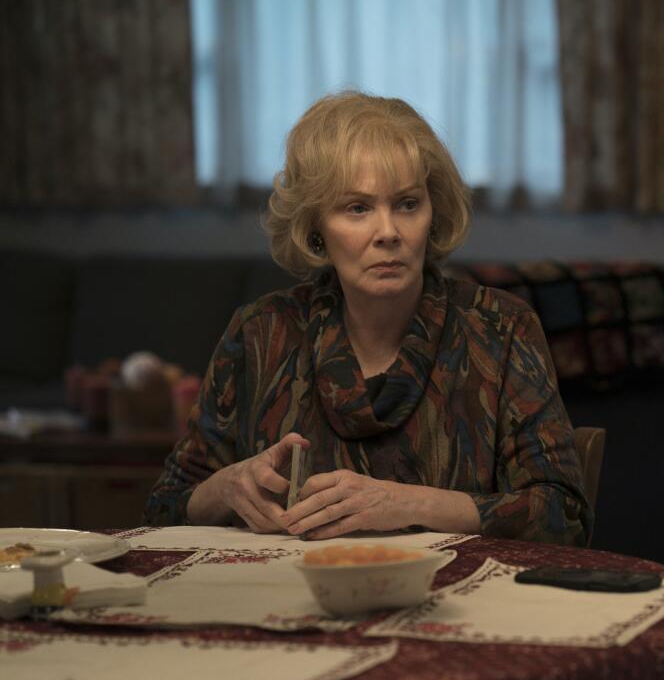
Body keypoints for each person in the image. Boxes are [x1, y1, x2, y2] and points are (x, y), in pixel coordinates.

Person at [145, 91, 592, 546]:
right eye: (357, 208)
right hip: (290, 600)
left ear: (433, 214)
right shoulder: (262, 330)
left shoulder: (499, 327)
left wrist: (406, 505)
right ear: (315, 228)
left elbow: (563, 515)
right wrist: (228, 487)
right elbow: (163, 508)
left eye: (407, 204)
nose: (388, 232)